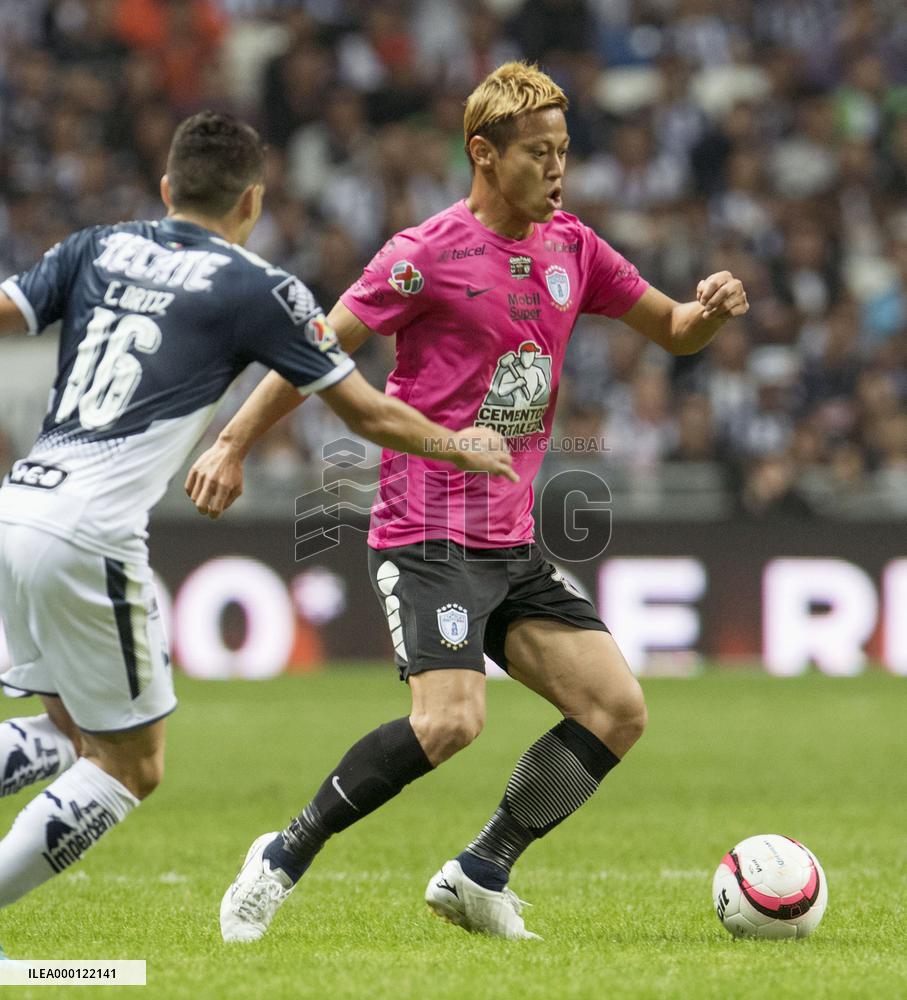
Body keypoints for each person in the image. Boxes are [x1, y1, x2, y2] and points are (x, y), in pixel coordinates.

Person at [189, 63, 748, 943]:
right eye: (538, 154)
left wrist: (710, 310)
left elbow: (673, 328)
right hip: (425, 532)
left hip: (510, 541)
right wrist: (230, 442)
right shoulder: (425, 255)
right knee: (451, 720)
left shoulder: (572, 246)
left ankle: (479, 871)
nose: (557, 171)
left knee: (617, 709)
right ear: (482, 154)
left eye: (563, 152)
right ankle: (281, 855)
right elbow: (315, 350)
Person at [0, 111, 515, 921]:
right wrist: (459, 446)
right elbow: (368, 416)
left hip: (19, 504)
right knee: (132, 766)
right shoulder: (259, 286)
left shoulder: (92, 246)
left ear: (168, 189)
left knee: (67, 731)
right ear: (252, 204)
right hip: (87, 532)